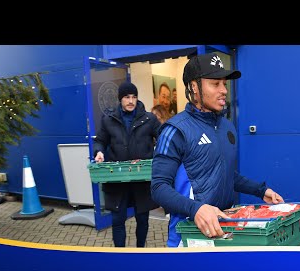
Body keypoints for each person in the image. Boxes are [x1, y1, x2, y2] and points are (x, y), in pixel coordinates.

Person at [151, 53, 284, 248]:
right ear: (194, 87)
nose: (224, 90)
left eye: (224, 84)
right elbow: (158, 188)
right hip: (188, 237)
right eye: (215, 84)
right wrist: (196, 209)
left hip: (225, 230)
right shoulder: (175, 130)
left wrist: (260, 191)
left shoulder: (227, 127)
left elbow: (225, 173)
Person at [93, 81, 161, 247]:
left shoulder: (149, 119)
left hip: (141, 178)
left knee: (142, 218)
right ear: (120, 99)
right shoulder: (108, 120)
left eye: (134, 97)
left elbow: (163, 137)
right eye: (127, 97)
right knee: (117, 219)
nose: (131, 101)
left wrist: (160, 152)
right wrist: (99, 152)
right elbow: (100, 141)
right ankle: (120, 254)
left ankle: (140, 250)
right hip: (118, 179)